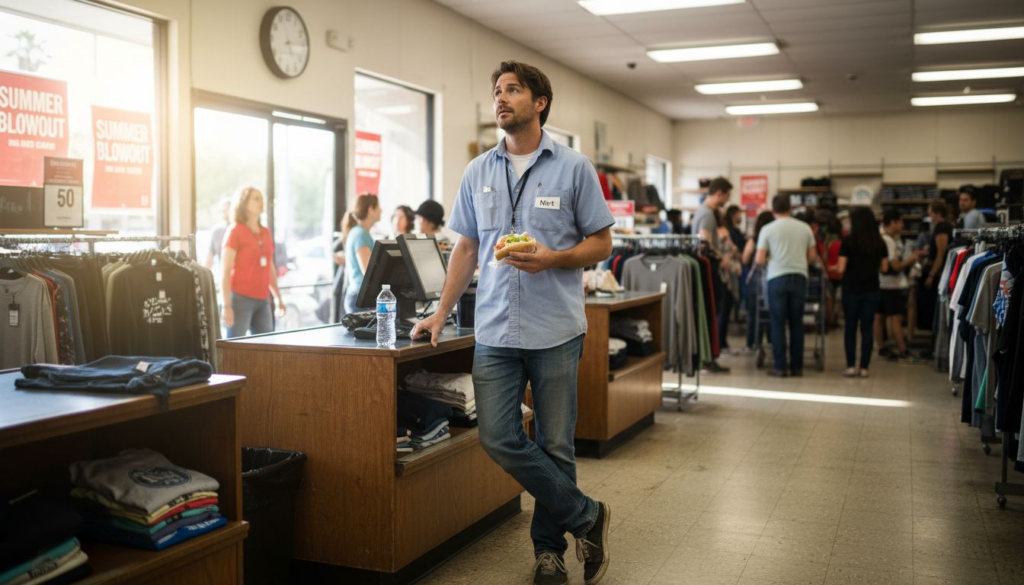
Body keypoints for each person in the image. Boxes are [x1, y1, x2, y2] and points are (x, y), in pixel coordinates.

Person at [411, 60, 613, 585]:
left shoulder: (574, 167)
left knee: (556, 446)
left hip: (556, 330)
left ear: (539, 102)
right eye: (497, 91)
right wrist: (440, 310)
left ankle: (549, 554)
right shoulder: (479, 170)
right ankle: (587, 515)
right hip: (496, 329)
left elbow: (601, 243)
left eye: (513, 90)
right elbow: (466, 247)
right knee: (499, 436)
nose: (501, 98)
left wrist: (553, 257)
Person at [755, 194, 818, 377]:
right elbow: (813, 256)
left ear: (773, 210)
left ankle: (780, 366)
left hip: (776, 278)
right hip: (799, 277)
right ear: (790, 209)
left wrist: (772, 260)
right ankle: (797, 367)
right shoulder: (804, 228)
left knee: (777, 323)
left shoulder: (767, 229)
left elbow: (759, 259)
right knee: (796, 323)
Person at [221, 186, 286, 338]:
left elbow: (269, 267)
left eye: (262, 198)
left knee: (266, 349)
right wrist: (226, 306)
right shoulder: (235, 231)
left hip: (263, 300)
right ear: (244, 203)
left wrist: (278, 297)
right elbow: (225, 271)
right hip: (240, 300)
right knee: (235, 350)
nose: (261, 202)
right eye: (256, 198)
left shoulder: (265, 232)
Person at [835, 208, 887, 377]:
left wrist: (833, 267)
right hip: (872, 289)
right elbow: (885, 268)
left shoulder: (848, 241)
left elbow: (841, 268)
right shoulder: (879, 242)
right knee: (867, 329)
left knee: (850, 328)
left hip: (851, 290)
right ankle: (864, 368)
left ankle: (851, 366)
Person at [692, 176, 732, 372]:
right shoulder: (707, 214)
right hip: (709, 268)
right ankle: (709, 358)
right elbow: (704, 243)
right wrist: (721, 257)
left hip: (704, 267)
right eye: (727, 196)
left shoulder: (702, 211)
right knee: (712, 310)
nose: (727, 201)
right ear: (720, 193)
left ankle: (708, 357)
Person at [875, 209, 921, 362]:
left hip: (880, 283)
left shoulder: (880, 237)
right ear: (893, 222)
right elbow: (895, 267)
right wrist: (912, 258)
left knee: (879, 316)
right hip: (891, 285)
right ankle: (903, 350)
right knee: (896, 318)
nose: (901, 225)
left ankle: (881, 347)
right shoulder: (889, 241)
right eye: (900, 222)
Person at [916, 200, 953, 336]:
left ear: (937, 213)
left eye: (930, 213)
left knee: (932, 308)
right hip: (939, 272)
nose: (929, 216)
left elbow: (941, 254)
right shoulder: (942, 227)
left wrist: (931, 274)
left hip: (938, 274)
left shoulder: (941, 228)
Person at [342, 193, 382, 315]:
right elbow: (368, 270)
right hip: (359, 298)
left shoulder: (360, 232)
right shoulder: (360, 234)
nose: (381, 210)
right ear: (371, 209)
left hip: (357, 295)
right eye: (379, 207)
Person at [742, 211, 774, 353]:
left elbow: (745, 259)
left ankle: (752, 343)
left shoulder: (754, 239)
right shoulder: (774, 238)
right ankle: (771, 342)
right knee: (769, 314)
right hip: (771, 279)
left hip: (754, 281)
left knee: (753, 314)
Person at [204, 198, 231, 270]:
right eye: (224, 211)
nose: (226, 213)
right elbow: (209, 260)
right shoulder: (217, 232)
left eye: (229, 210)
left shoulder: (242, 231)